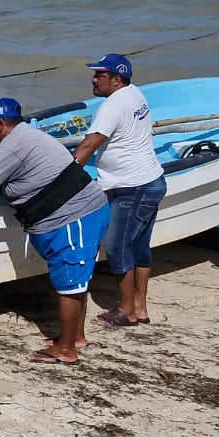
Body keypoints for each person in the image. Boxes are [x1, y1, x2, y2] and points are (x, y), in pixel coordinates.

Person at [0, 98, 110, 366]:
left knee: (70, 284)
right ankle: (75, 337)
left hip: (73, 216)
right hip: (87, 210)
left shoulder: (13, 144)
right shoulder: (28, 133)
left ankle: (66, 350)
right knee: (78, 279)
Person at [72, 53, 165, 327]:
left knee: (116, 247)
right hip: (153, 181)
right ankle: (140, 307)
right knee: (139, 245)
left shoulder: (113, 105)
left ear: (116, 79)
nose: (93, 79)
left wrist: (62, 177)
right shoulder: (136, 94)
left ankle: (126, 310)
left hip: (132, 188)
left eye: (99, 75)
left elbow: (87, 147)